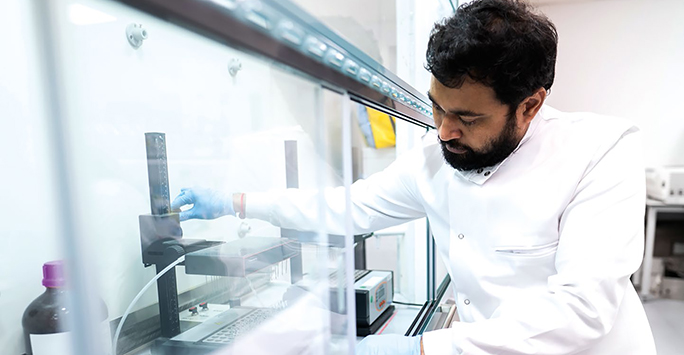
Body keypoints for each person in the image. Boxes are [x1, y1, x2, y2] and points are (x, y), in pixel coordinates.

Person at [171, 0, 656, 353]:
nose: (444, 131)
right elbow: (346, 206)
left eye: (466, 118)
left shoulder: (601, 152)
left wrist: (419, 350)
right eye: (436, 107)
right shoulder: (432, 158)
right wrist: (236, 202)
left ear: (530, 105)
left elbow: (581, 312)